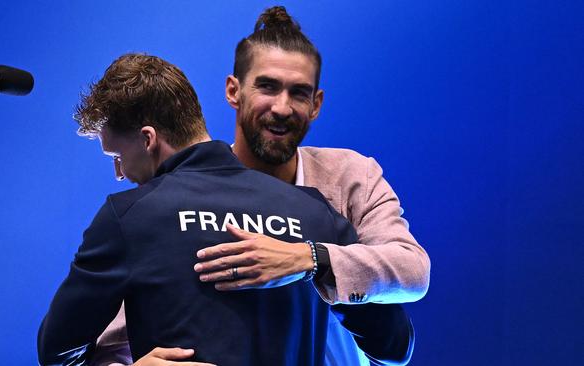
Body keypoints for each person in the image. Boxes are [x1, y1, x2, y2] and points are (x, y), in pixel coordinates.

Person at [93, 6, 428, 366]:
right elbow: (109, 344)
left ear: (316, 104)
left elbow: (412, 271)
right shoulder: (183, 196)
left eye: (299, 93)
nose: (282, 108)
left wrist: (308, 259)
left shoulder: (350, 176)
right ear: (233, 91)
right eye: (267, 87)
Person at [38, 53, 400, 366]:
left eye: (117, 157)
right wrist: (315, 268)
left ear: (148, 139)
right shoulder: (313, 212)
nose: (120, 173)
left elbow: (57, 352)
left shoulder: (129, 216)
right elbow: (395, 346)